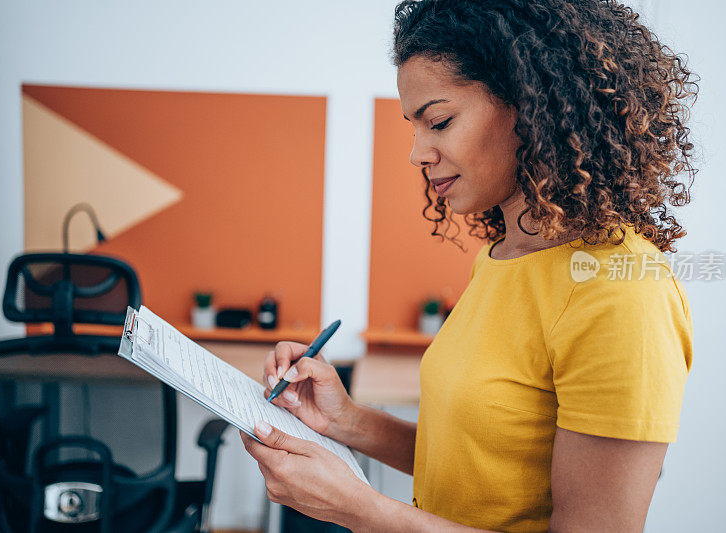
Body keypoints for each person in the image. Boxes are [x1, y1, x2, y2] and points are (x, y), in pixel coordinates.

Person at [240, 0, 698, 531]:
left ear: (532, 105)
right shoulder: (501, 259)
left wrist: (360, 510)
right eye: (415, 126)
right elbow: (481, 465)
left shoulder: (622, 294)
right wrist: (347, 421)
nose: (417, 153)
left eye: (439, 121)